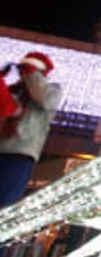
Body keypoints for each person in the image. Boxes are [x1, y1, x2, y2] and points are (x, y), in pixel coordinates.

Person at [0, 52, 62, 206]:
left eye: (27, 70)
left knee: (3, 203)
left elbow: (44, 99)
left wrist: (31, 72)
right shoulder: (13, 91)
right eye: (21, 70)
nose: (23, 74)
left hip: (20, 155)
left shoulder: (52, 91)